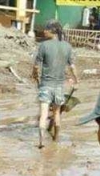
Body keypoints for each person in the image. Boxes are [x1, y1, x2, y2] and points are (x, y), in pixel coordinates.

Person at [32, 20, 78, 148]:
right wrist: (76, 81)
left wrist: (34, 75)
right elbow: (72, 66)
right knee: (57, 113)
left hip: (46, 84)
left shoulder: (44, 45)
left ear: (52, 31)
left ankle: (41, 143)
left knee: (44, 113)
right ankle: (56, 139)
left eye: (46, 29)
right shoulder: (67, 46)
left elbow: (36, 66)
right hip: (59, 86)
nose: (44, 31)